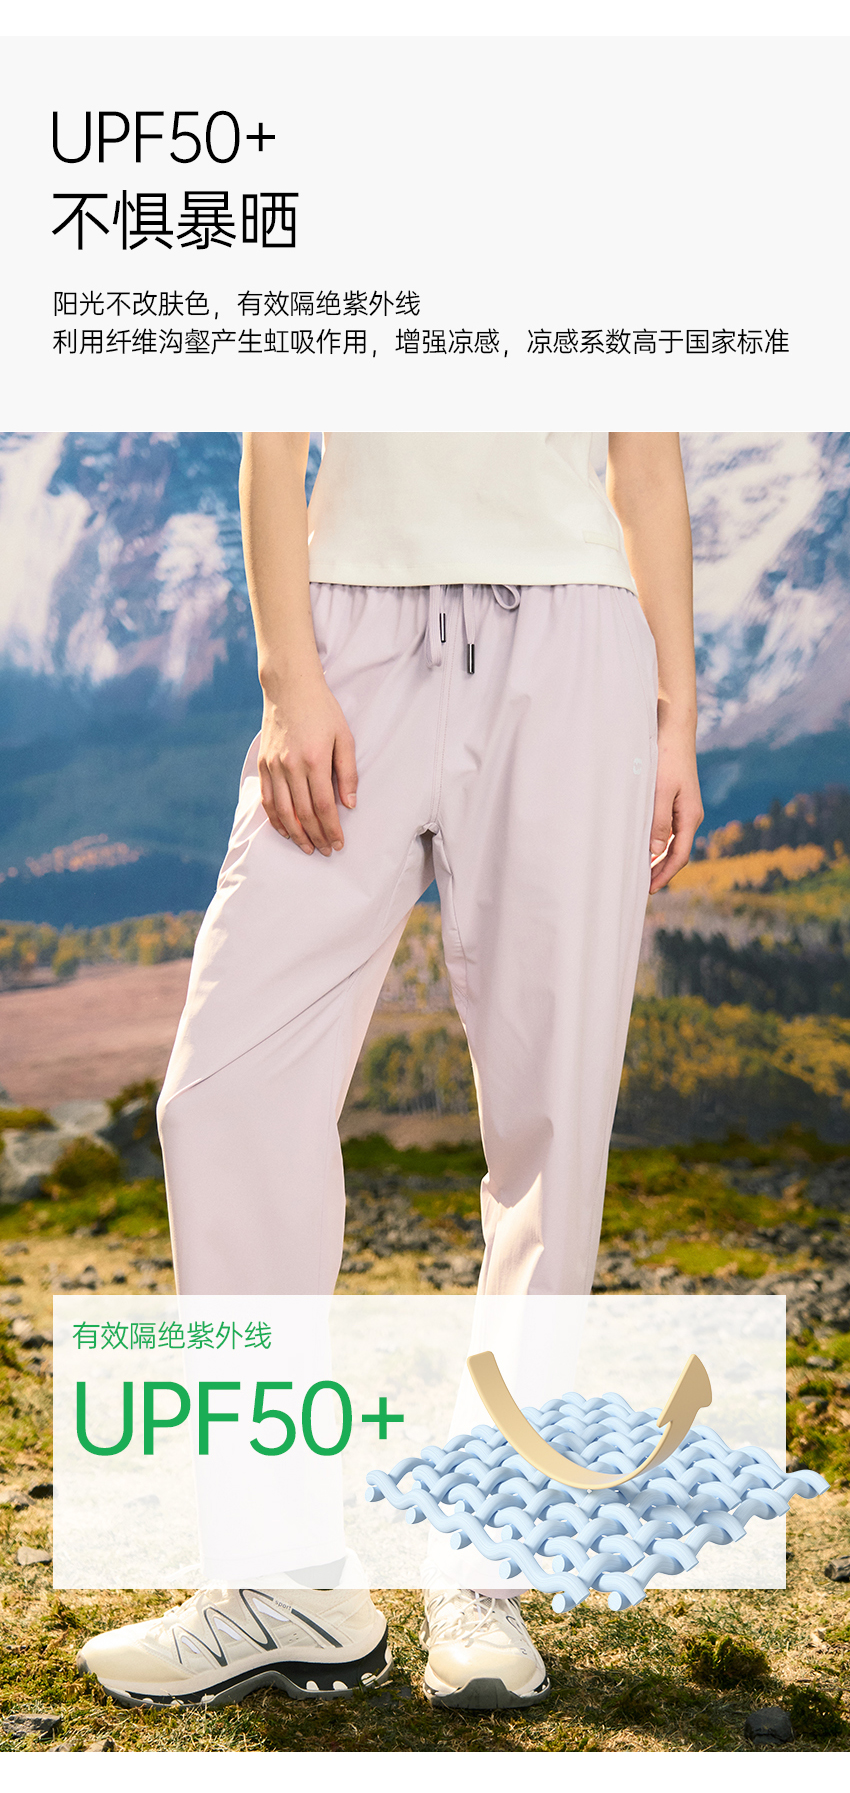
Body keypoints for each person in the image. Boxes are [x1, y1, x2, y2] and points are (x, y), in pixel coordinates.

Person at [77, 432, 703, 1711]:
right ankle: (281, 1580)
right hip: (350, 634)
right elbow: (272, 433)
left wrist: (676, 717)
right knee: (219, 1098)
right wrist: (288, 677)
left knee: (552, 1127)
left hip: (576, 649)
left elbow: (645, 466)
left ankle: (483, 1572)